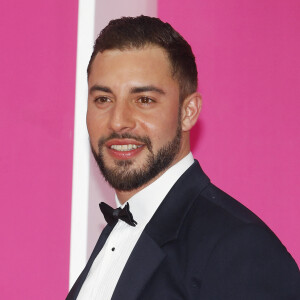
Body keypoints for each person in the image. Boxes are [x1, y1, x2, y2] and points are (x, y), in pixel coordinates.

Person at [67, 16, 300, 300]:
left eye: (144, 100)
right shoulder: (116, 237)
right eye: (103, 99)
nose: (118, 121)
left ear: (188, 111)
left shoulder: (240, 249)